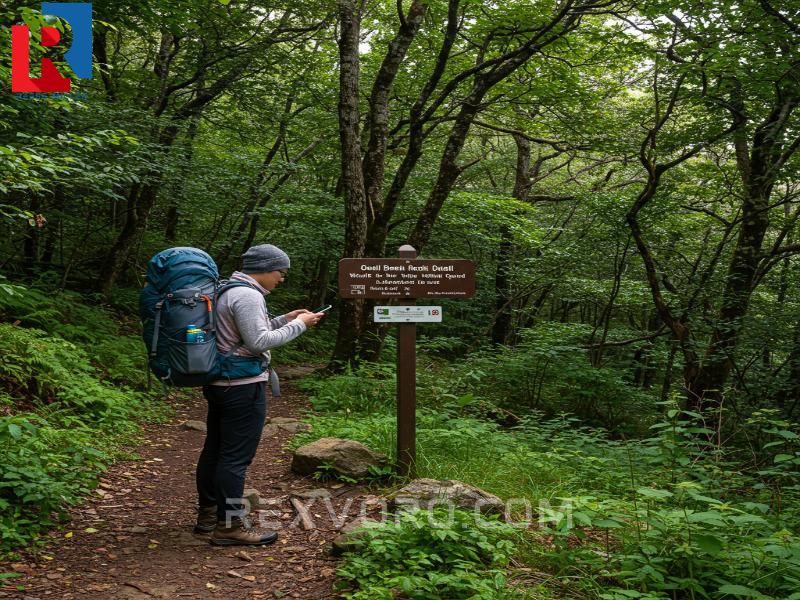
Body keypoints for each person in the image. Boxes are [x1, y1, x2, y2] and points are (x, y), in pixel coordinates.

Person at [194, 244, 324, 546]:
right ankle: (229, 526)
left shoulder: (228, 290)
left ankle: (209, 515)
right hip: (242, 385)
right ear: (265, 268)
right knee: (235, 458)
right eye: (281, 272)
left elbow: (238, 335)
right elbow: (258, 342)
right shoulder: (248, 295)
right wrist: (299, 325)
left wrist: (284, 319)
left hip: (221, 382)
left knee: (215, 450)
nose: (282, 278)